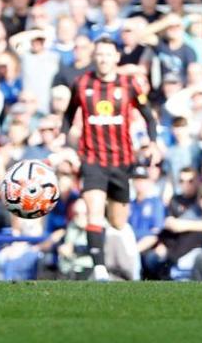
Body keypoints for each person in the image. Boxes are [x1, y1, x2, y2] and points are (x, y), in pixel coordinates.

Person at [62, 37, 158, 281]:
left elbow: (149, 117)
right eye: (99, 54)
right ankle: (100, 269)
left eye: (108, 54)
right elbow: (67, 117)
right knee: (93, 211)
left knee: (117, 222)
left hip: (122, 162)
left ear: (117, 57)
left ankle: (112, 247)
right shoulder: (82, 83)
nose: (103, 59)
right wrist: (67, 147)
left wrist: (153, 143)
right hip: (93, 160)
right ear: (94, 57)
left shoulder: (129, 85)